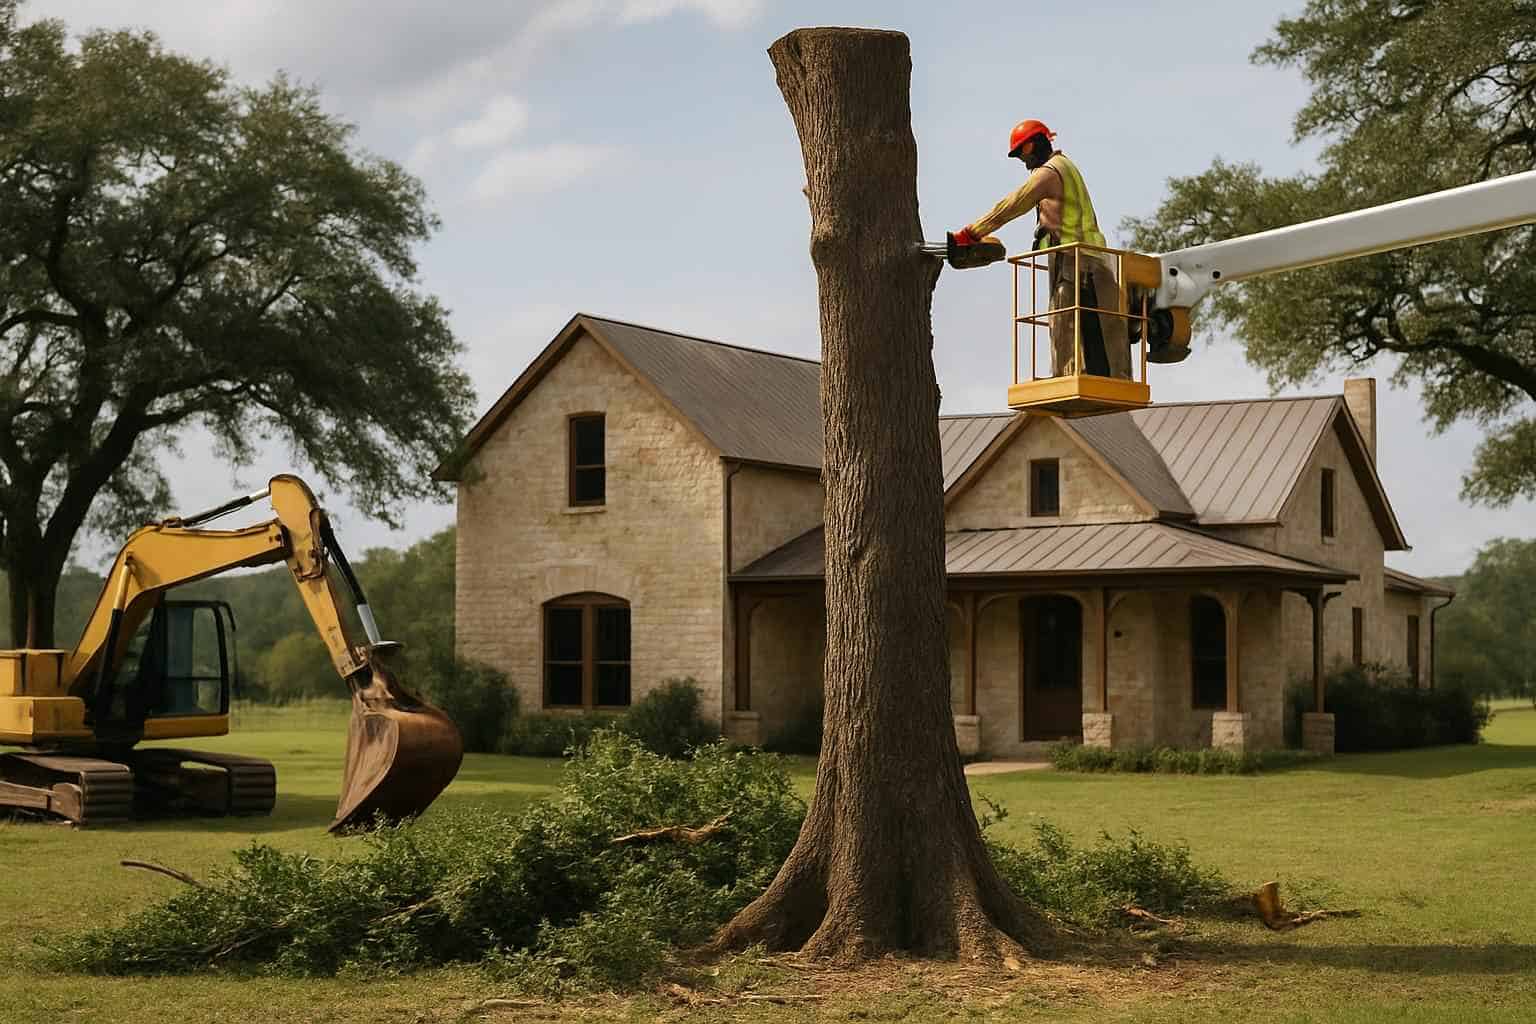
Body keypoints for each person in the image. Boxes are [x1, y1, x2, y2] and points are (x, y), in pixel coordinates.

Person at [952, 119, 1130, 380]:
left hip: (1071, 257)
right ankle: (1114, 376)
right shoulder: (1068, 166)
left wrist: (971, 233)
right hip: (1096, 258)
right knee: (1100, 322)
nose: (1023, 161)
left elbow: (1012, 205)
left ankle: (1064, 377)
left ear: (1034, 144)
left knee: (1063, 319)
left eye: (1022, 152)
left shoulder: (1049, 172)